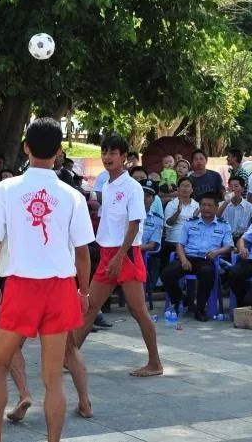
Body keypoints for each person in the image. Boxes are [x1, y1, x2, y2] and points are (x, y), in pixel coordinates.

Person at [0, 118, 93, 442]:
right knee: (53, 378)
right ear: (59, 151)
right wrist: (84, 291)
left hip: (21, 286)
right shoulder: (72, 196)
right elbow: (83, 253)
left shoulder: (5, 189)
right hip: (59, 287)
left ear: (26, 147)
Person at [74, 134, 163, 377]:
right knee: (90, 307)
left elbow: (134, 223)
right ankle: (70, 357)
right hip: (107, 253)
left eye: (113, 153)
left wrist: (120, 255)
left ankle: (155, 363)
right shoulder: (107, 185)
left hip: (127, 253)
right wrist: (109, 255)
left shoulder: (132, 186)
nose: (107, 157)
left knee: (138, 311)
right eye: (104, 152)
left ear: (124, 157)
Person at [160, 192, 234, 321]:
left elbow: (229, 246)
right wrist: (183, 260)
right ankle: (180, 299)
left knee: (207, 273)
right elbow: (180, 244)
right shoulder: (190, 223)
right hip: (188, 257)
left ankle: (200, 309)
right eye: (203, 205)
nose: (206, 208)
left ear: (216, 207)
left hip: (207, 259)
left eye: (209, 205)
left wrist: (217, 252)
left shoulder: (223, 225)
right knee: (167, 273)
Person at [161, 177, 199, 269]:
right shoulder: (172, 204)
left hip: (191, 240)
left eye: (188, 186)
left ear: (192, 189)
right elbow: (168, 224)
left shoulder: (197, 205)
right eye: (182, 186)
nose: (185, 188)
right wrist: (177, 213)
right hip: (174, 239)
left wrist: (194, 218)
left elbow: (199, 227)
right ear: (178, 189)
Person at [218, 176, 252, 241]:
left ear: (242, 189)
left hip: (242, 239)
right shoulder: (221, 205)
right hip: (224, 238)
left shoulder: (251, 208)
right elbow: (215, 217)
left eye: (236, 186)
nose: (233, 189)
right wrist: (226, 202)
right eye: (230, 186)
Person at [140, 180, 163, 254]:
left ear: (153, 199)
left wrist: (133, 248)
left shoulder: (157, 220)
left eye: (147, 196)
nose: (144, 198)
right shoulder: (126, 216)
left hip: (143, 254)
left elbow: (151, 245)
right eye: (141, 195)